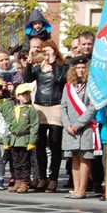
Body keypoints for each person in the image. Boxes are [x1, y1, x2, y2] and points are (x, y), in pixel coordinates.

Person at [59, 56, 97, 199]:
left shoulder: (90, 86)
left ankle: (82, 189)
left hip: (85, 128)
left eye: (83, 68)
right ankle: (75, 188)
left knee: (84, 158)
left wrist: (77, 124)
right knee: (74, 158)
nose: (80, 70)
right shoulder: (68, 86)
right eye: (78, 68)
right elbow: (63, 107)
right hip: (70, 130)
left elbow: (92, 108)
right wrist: (68, 124)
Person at [31, 39, 65, 192]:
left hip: (55, 106)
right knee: (40, 145)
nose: (45, 55)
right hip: (40, 106)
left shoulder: (61, 66)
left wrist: (53, 62)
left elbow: (59, 79)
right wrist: (29, 60)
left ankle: (54, 178)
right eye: (43, 52)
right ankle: (42, 177)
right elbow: (27, 78)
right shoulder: (39, 68)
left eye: (48, 52)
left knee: (55, 144)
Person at [5, 82, 39, 192]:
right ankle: (18, 181)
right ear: (17, 96)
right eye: (23, 94)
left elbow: (34, 126)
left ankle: (25, 182)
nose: (25, 97)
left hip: (25, 139)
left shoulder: (31, 109)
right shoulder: (14, 109)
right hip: (15, 139)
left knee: (25, 163)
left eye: (27, 94)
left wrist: (32, 141)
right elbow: (9, 125)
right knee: (16, 163)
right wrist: (7, 141)